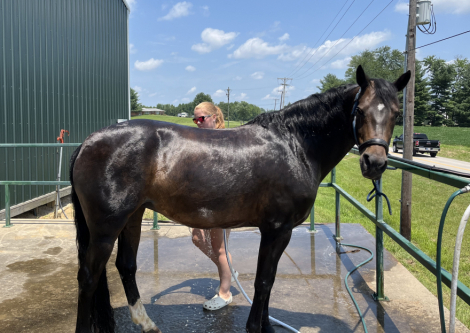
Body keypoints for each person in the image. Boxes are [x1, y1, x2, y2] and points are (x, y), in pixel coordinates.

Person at [191, 102, 238, 311]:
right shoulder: (204, 139)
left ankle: (225, 293)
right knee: (197, 238)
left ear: (214, 118)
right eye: (195, 119)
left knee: (219, 247)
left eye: (201, 119)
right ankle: (228, 270)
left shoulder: (226, 139)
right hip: (205, 202)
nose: (197, 123)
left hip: (223, 202)